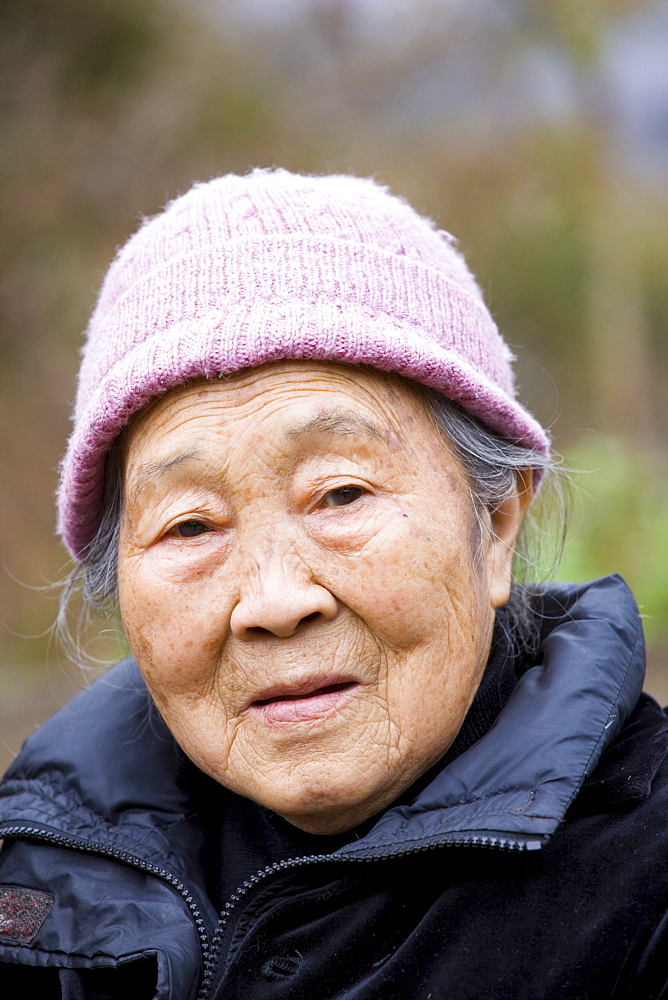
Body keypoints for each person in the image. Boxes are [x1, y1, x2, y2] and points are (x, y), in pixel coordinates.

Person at [0, 169, 666, 1000]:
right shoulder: (34, 880)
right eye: (192, 526)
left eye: (342, 494)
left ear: (496, 524)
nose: (276, 602)